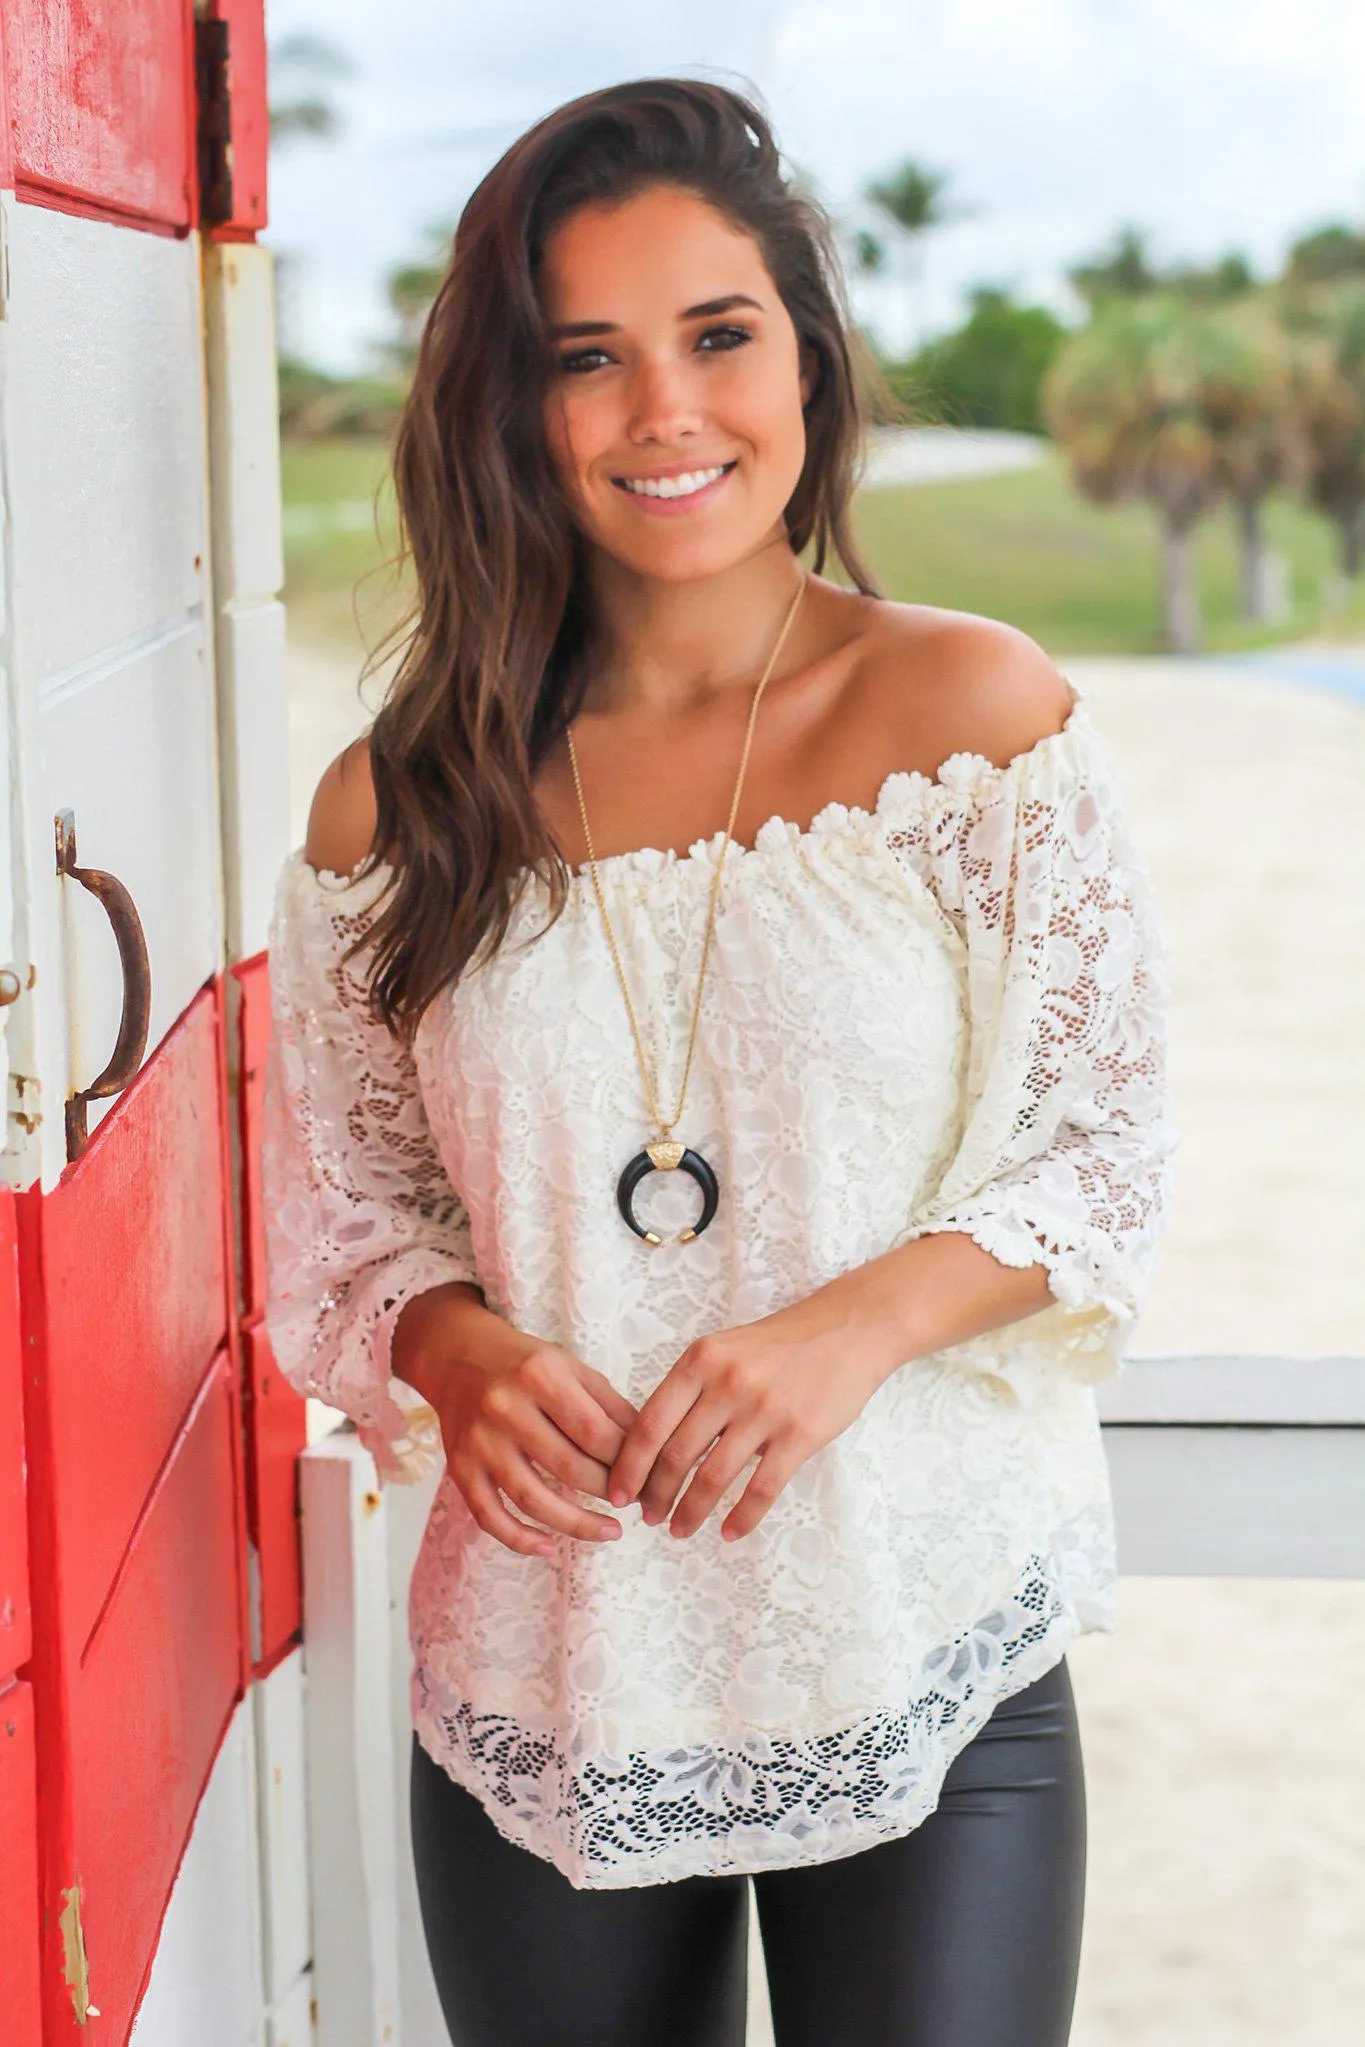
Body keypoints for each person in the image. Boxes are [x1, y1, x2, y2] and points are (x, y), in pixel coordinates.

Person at [260, 76, 1177, 2047]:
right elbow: (347, 1217)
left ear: (809, 360)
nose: (664, 410)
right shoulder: (395, 812)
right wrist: (457, 1347)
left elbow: (1099, 1146)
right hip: (553, 1673)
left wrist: (845, 1329)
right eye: (587, 357)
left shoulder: (967, 716)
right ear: (512, 409)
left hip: (915, 1636)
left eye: (718, 334)